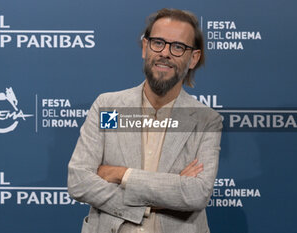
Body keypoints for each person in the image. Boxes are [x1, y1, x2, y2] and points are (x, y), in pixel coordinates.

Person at [68, 8, 222, 233]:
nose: (165, 53)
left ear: (193, 58)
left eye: (178, 47)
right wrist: (165, 193)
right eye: (158, 42)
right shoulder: (109, 108)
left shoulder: (206, 120)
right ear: (145, 47)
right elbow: (79, 181)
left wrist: (121, 174)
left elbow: (196, 194)